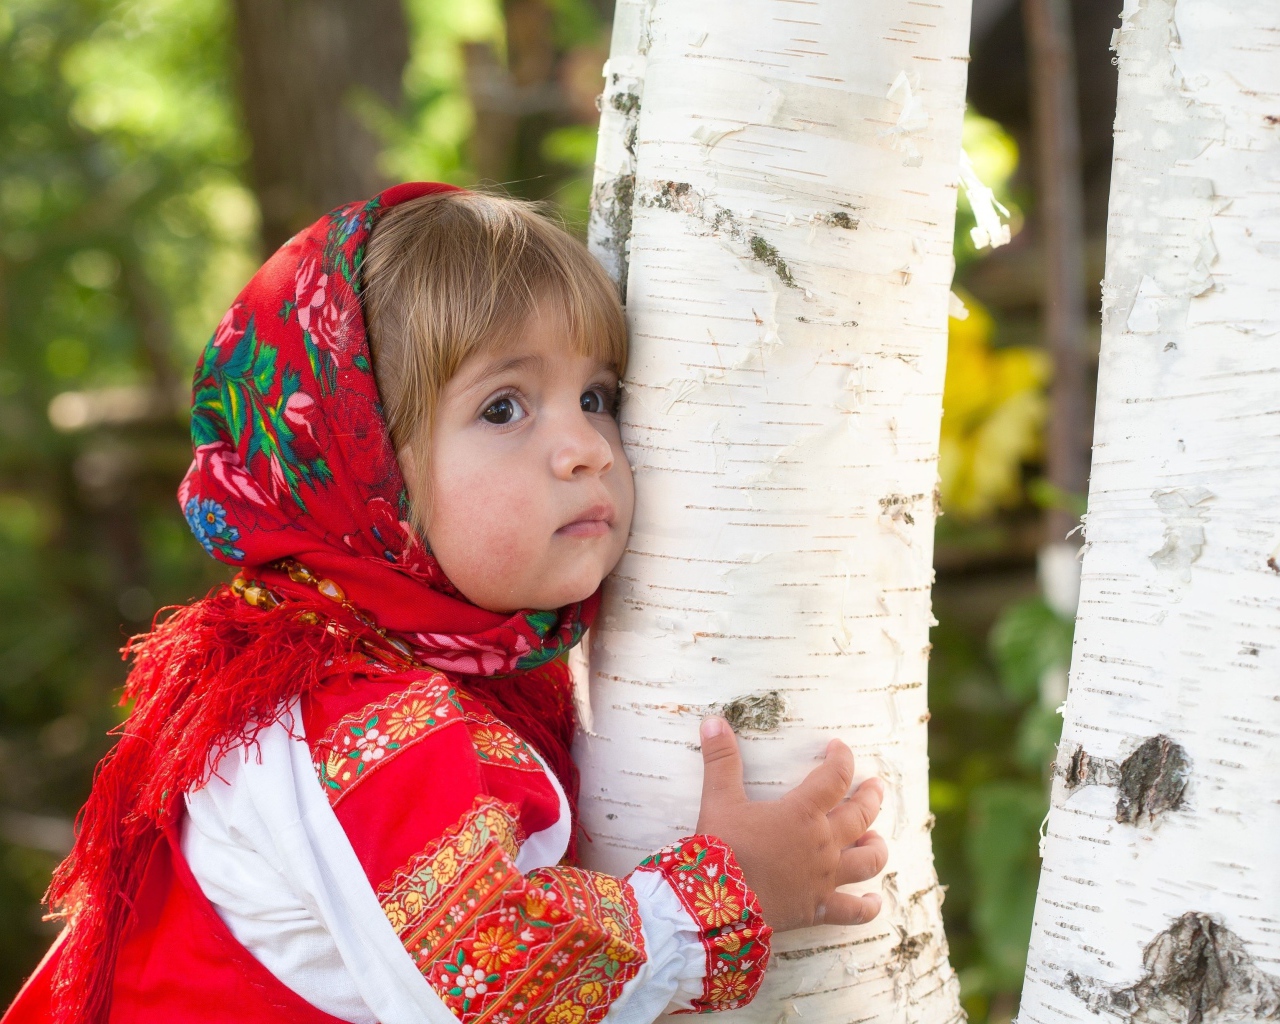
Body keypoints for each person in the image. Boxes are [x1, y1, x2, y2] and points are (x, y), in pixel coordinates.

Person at [2, 183, 887, 1024]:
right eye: (504, 408)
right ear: (365, 471)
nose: (585, 447)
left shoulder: (450, 668)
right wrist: (729, 892)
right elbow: (492, 984)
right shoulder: (337, 716)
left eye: (597, 397)